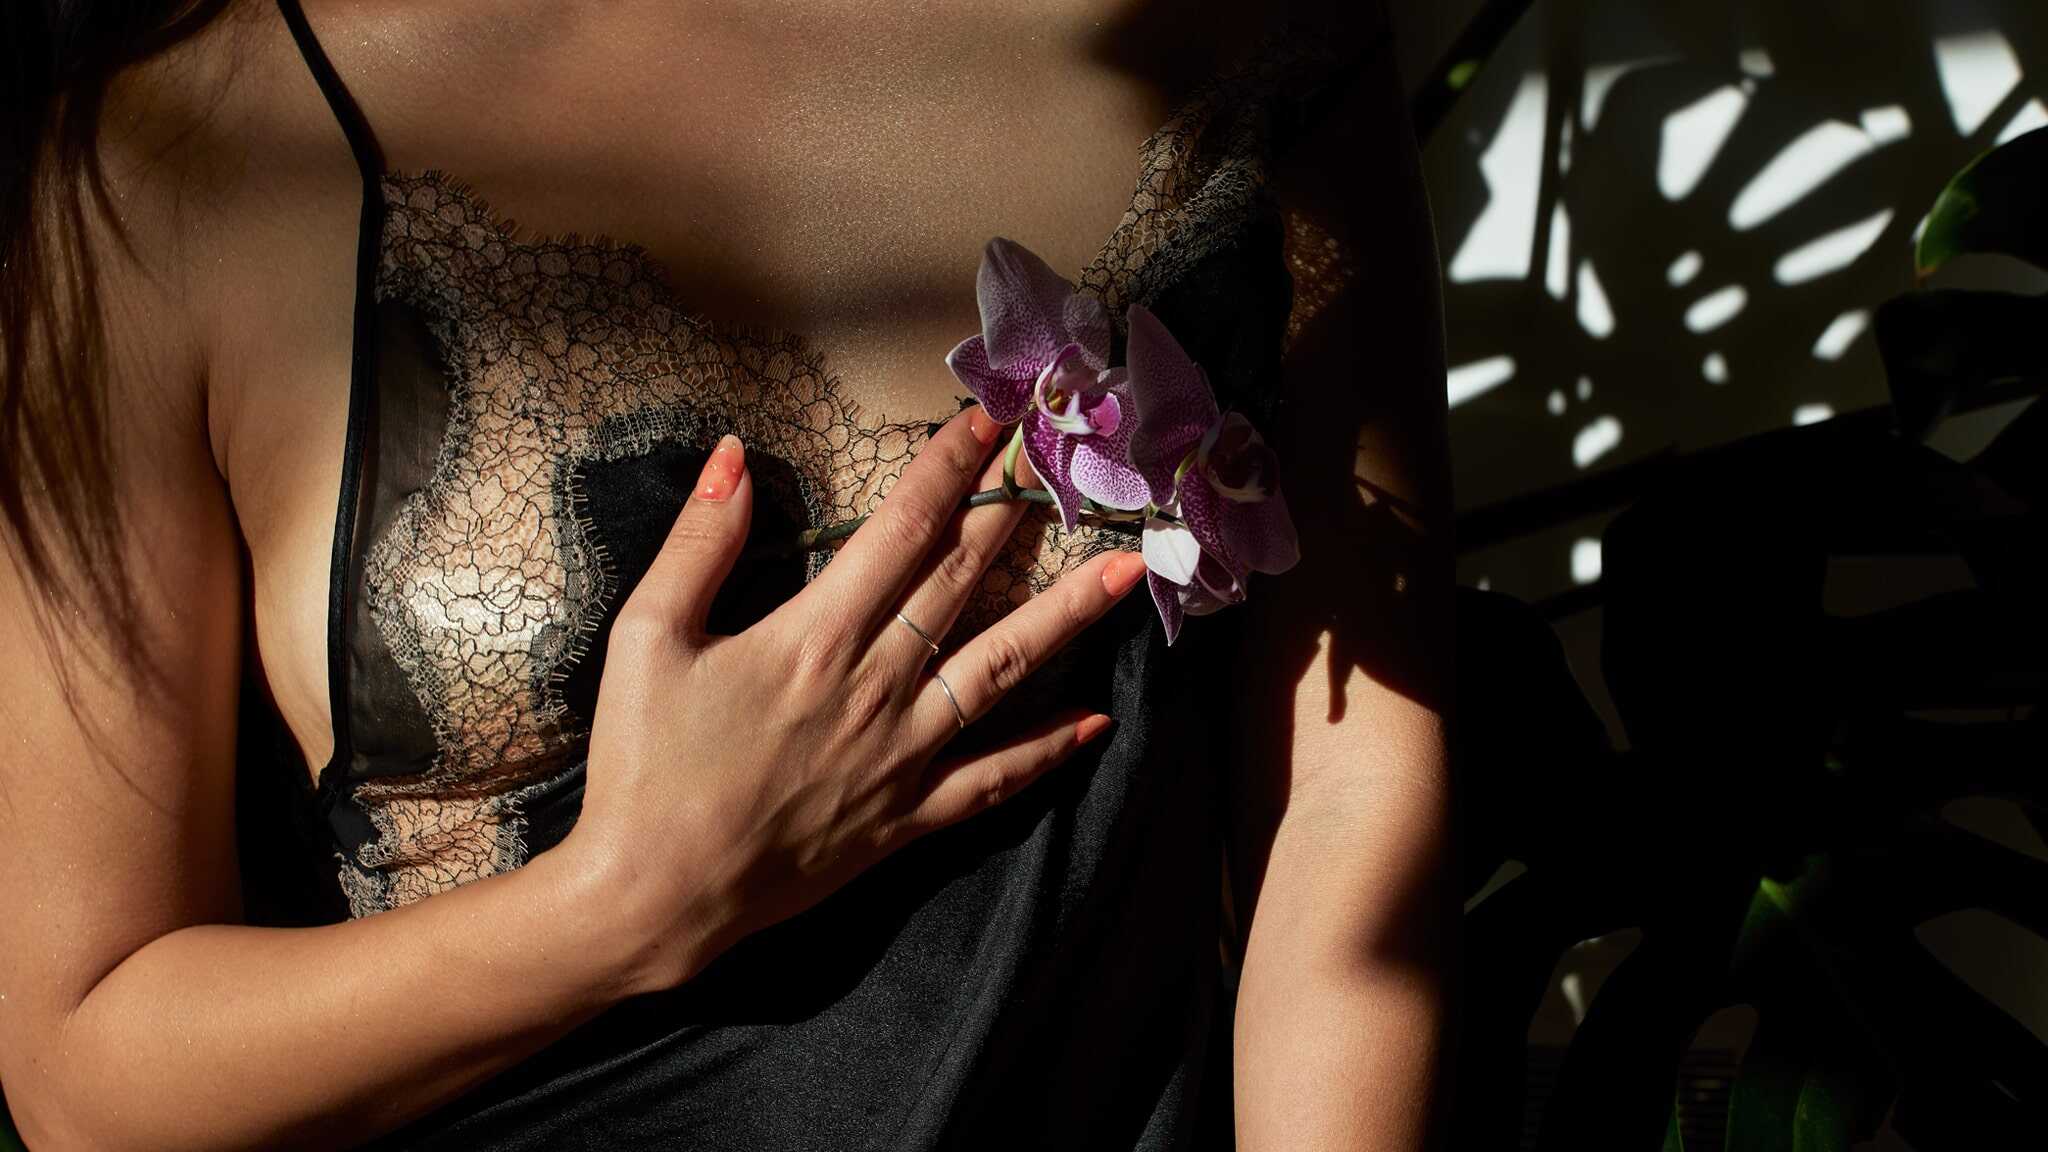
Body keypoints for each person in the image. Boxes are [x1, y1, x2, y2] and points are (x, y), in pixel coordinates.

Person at [0, 0, 1453, 1147]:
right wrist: (627, 900)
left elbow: (1345, 791)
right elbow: (82, 1064)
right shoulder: (174, 157)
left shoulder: (1252, 37)